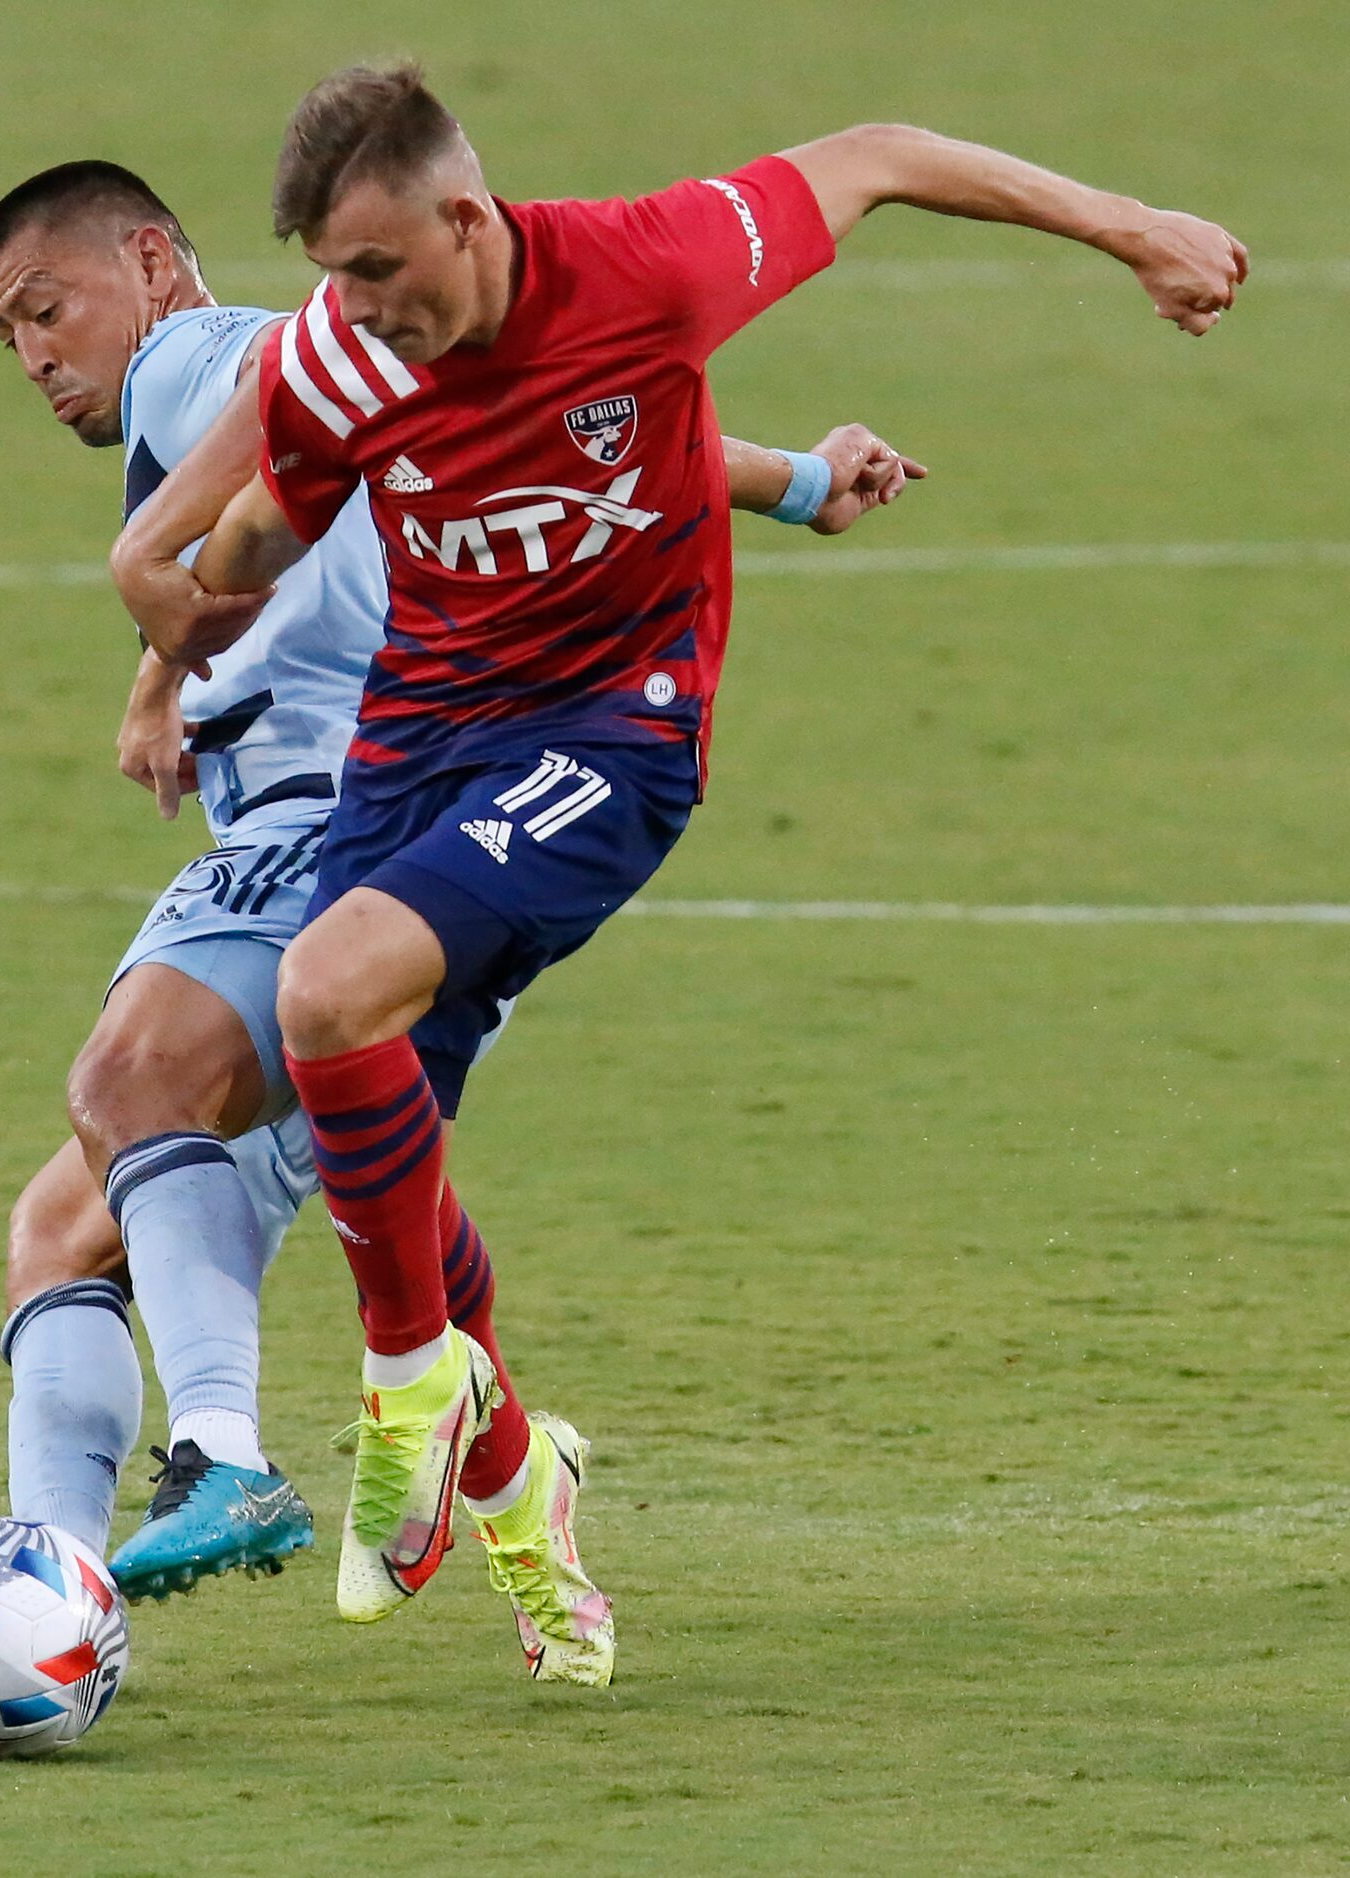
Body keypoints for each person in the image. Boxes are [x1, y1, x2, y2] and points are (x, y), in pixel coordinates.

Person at [110, 64, 1244, 1682]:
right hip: (417, 747)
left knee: (326, 989)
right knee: (376, 1126)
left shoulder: (650, 263)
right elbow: (267, 535)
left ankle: (406, 1382)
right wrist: (167, 658)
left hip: (614, 731)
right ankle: (518, 1487)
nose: (352, 306)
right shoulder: (344, 357)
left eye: (375, 270)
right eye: (330, 278)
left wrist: (1136, 230)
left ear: (465, 216)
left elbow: (878, 152)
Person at [0, 160, 918, 1695]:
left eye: (47, 307)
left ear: (155, 262)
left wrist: (164, 637)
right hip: (399, 843)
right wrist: (804, 484)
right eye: (5, 332)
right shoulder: (334, 388)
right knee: (69, 1226)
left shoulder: (198, 355)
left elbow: (305, 376)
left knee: (130, 1085)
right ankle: (62, 1606)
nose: (33, 351)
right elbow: (573, 423)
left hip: (346, 837)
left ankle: (221, 1451)